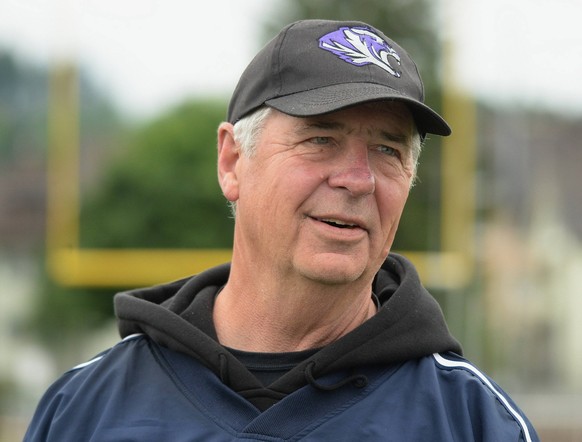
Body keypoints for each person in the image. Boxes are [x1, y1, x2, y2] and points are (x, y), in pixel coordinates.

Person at [25, 19, 539, 441]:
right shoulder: (84, 410)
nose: (358, 179)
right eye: (320, 139)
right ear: (232, 162)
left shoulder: (474, 422)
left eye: (389, 150)